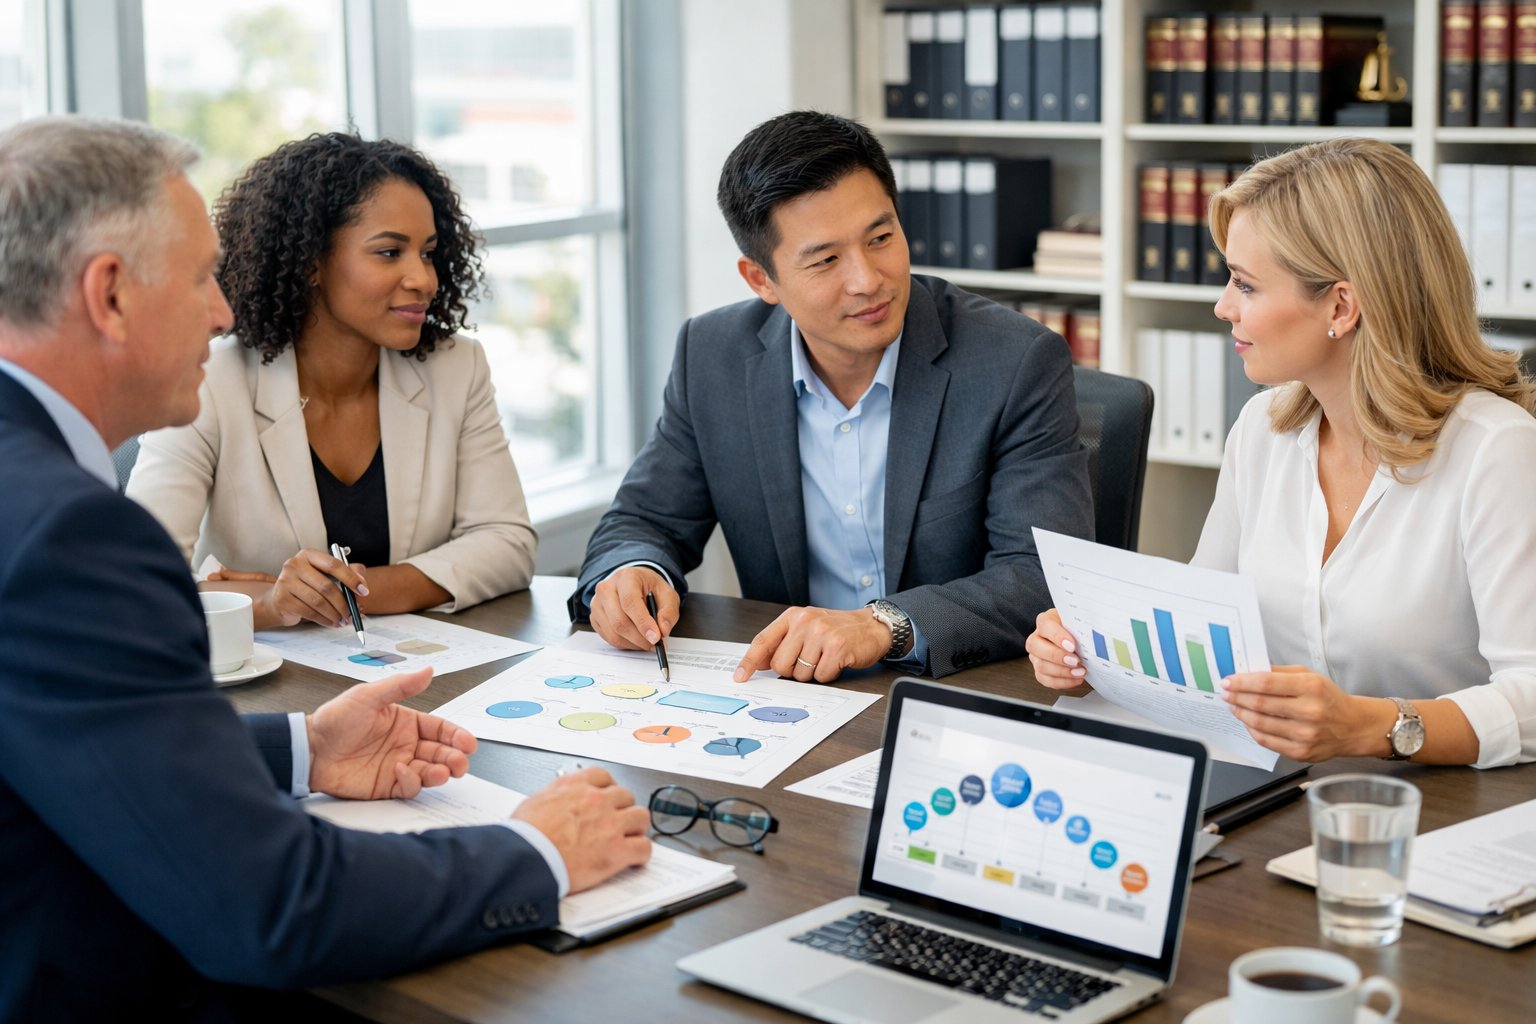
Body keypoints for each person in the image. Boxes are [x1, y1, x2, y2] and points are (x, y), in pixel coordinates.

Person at [0, 115, 650, 1018]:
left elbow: (68, 733)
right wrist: (535, 850)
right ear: (108, 295)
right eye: (198, 279)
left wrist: (301, 746)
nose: (222, 308)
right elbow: (271, 905)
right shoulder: (70, 535)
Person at [1028, 137, 1536, 769]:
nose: (1222, 306)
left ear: (1341, 305)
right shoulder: (1263, 428)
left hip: (1440, 809)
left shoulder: (1496, 450)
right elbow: (1201, 632)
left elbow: (1532, 699)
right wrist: (1090, 655)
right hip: (1282, 788)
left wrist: (1371, 725)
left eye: (1246, 284)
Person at [572, 111, 1093, 683]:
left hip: (960, 689)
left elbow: (1039, 574)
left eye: (881, 238)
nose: (868, 279)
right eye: (825, 260)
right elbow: (645, 519)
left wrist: (883, 626)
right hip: (792, 696)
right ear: (761, 280)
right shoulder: (713, 356)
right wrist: (630, 572)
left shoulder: (1014, 361)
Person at [126, 132, 535, 633]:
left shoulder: (456, 366)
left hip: (413, 672)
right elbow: (139, 582)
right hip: (269, 689)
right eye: (389, 253)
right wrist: (272, 603)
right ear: (310, 262)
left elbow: (507, 543)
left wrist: (339, 592)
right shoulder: (211, 381)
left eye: (428, 253)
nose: (423, 279)